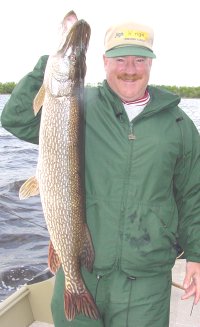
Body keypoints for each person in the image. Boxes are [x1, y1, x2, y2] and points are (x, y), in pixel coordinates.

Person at [1, 19, 200, 327]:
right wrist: (51, 63)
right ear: (104, 62)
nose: (130, 69)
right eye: (120, 59)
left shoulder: (178, 124)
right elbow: (15, 119)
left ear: (151, 63)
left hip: (146, 282)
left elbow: (192, 194)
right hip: (83, 268)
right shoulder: (78, 104)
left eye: (139, 59)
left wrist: (196, 256)